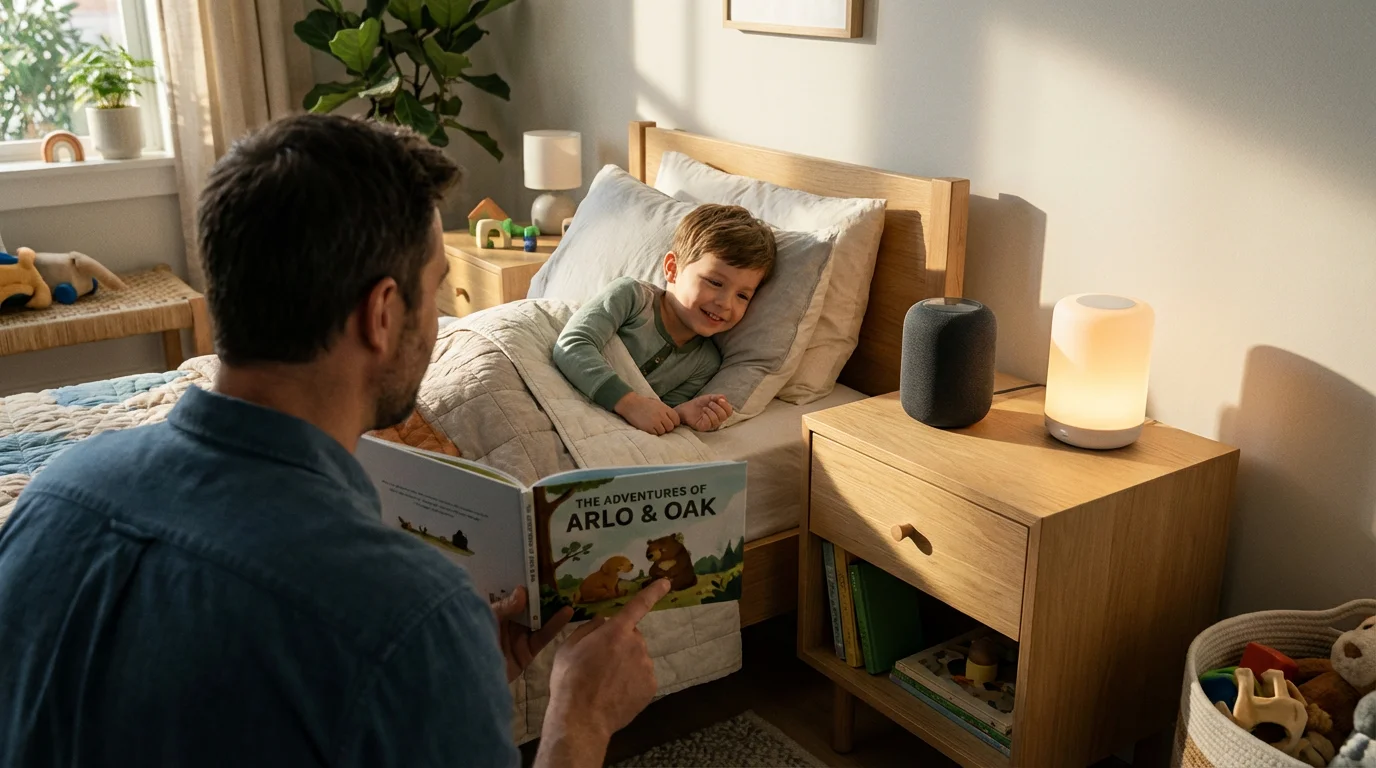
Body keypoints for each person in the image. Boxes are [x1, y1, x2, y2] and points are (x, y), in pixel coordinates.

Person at [0, 114, 666, 768]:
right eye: (435, 289)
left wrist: (450, 686)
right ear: (381, 314)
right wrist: (579, 723)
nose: (439, 319)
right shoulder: (408, 611)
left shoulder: (56, 493)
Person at [552, 203, 777, 434]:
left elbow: (654, 412)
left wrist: (680, 413)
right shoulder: (632, 298)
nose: (725, 303)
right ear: (673, 269)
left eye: (742, 295)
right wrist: (629, 403)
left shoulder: (704, 363)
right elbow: (571, 346)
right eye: (715, 282)